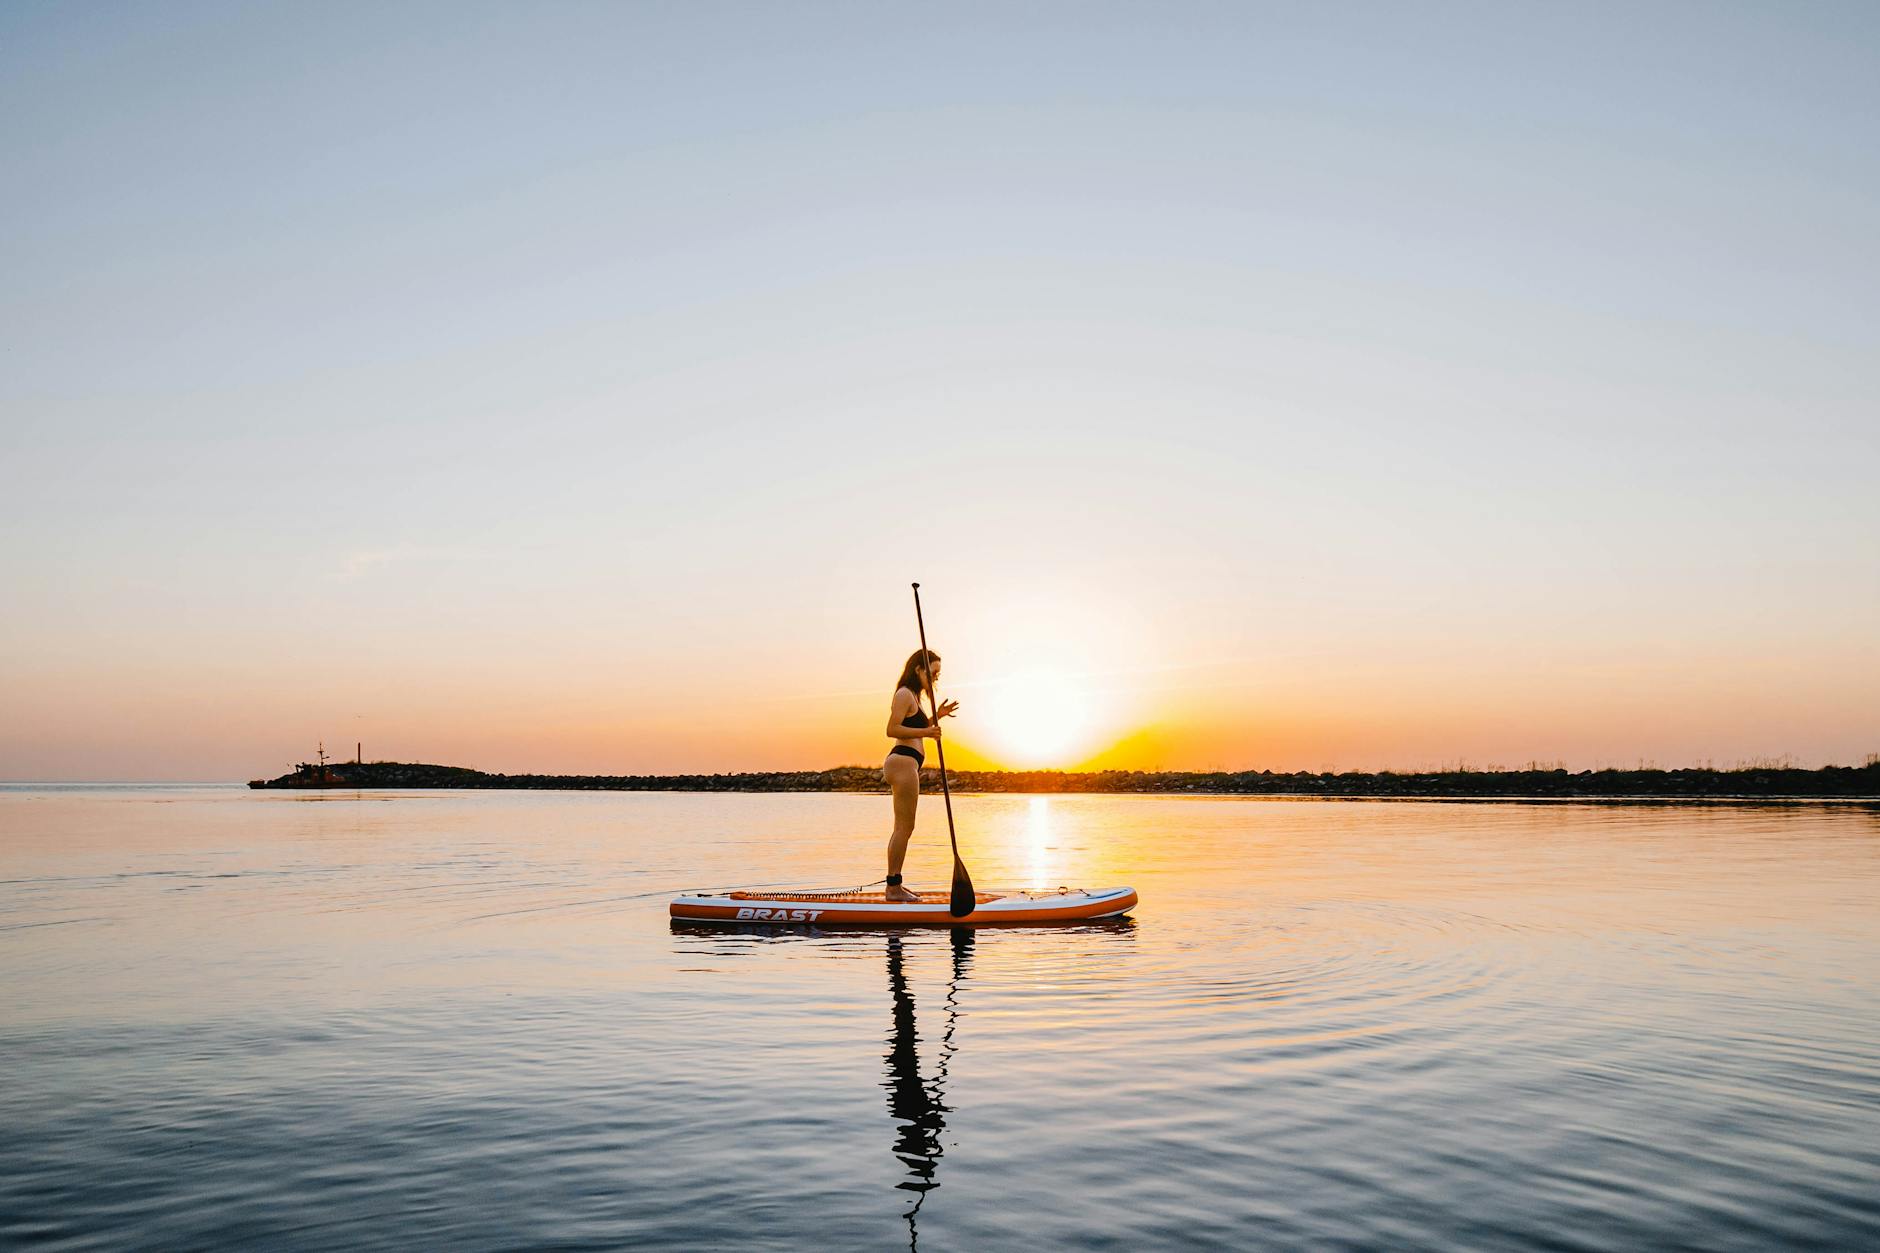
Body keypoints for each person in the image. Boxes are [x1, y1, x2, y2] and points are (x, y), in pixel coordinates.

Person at [882, 648, 957, 902]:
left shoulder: (914, 696)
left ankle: (895, 885)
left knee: (903, 827)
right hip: (902, 763)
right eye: (933, 673)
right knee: (904, 827)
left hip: (907, 764)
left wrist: (937, 717)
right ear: (918, 669)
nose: (935, 679)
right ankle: (893, 888)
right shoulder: (904, 694)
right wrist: (929, 732)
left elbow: (914, 727)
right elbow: (892, 729)